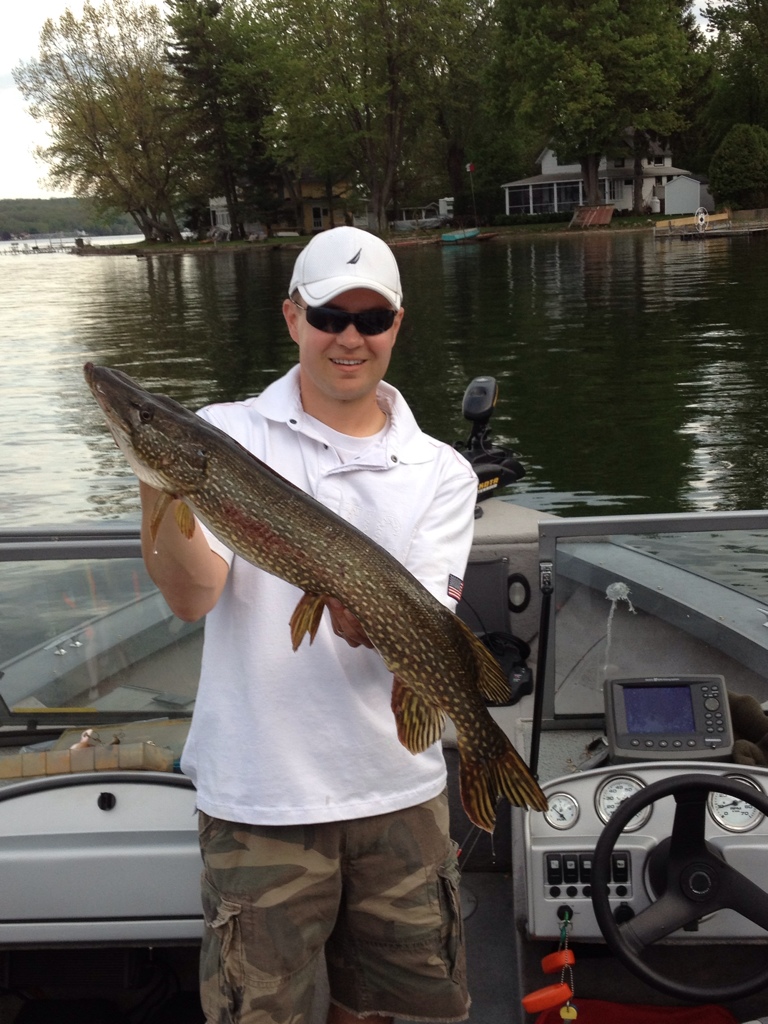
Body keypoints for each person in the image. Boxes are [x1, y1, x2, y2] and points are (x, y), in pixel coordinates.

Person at [138, 226, 479, 1024]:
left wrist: (366, 617)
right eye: (329, 316)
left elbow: (420, 630)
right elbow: (192, 599)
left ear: (397, 324)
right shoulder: (223, 438)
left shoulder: (440, 471)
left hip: (399, 797)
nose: (349, 337)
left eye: (371, 318)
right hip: (259, 801)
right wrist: (160, 483)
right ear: (293, 316)